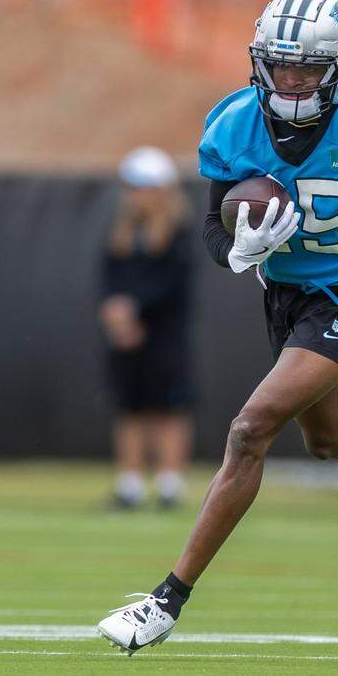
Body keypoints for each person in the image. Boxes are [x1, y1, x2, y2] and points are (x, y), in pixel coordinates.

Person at [97, 0, 338, 654]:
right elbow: (214, 228)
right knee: (331, 440)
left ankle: (165, 601)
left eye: (307, 68)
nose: (291, 80)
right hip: (285, 296)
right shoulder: (233, 123)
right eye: (280, 65)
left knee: (251, 430)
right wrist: (237, 251)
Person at [99, 147, 195, 510]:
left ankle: (170, 485)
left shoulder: (178, 233)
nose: (138, 195)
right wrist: (116, 314)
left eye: (146, 187)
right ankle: (130, 485)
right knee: (130, 406)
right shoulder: (120, 235)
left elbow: (170, 286)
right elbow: (109, 280)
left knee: (169, 408)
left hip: (164, 337)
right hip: (126, 338)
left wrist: (134, 308)